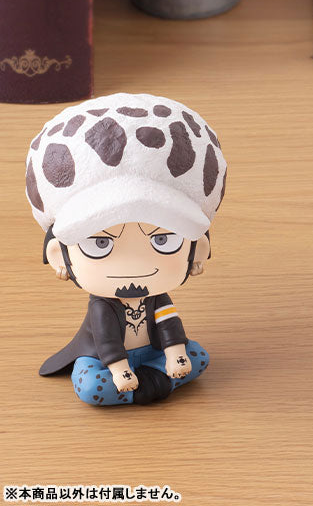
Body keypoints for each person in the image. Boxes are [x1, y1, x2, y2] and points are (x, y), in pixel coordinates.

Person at [25, 93, 227, 405]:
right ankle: (152, 383)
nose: (133, 264)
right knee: (91, 385)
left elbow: (169, 325)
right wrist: (119, 370)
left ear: (198, 250)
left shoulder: (158, 298)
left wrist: (175, 354)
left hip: (154, 353)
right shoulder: (102, 307)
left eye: (162, 240)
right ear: (58, 257)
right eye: (101, 243)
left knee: (197, 357)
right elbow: (106, 340)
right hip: (107, 362)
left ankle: (143, 386)